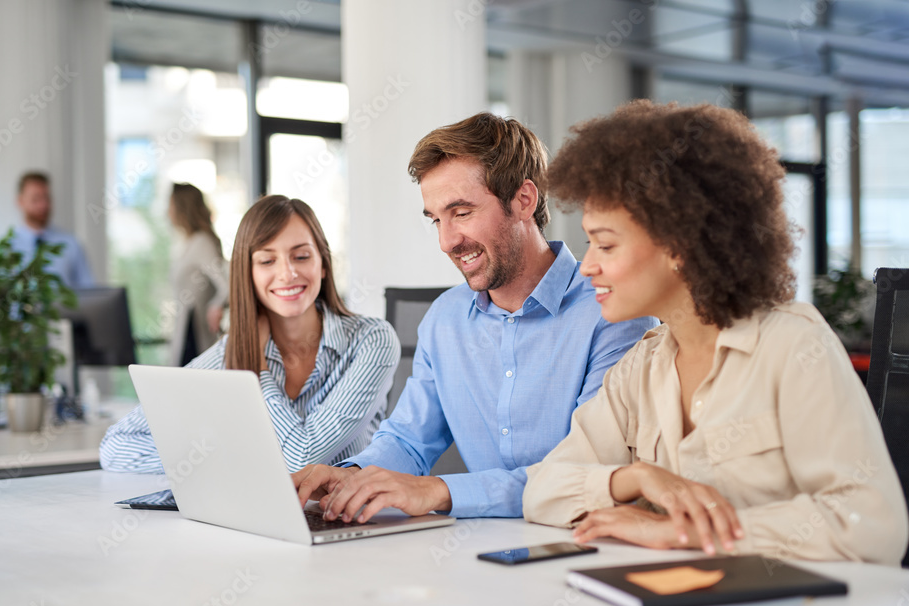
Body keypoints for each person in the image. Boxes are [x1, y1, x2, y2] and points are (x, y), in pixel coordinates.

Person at [522, 100, 909, 565]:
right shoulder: (641, 367)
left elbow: (874, 525)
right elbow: (542, 491)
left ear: (680, 247)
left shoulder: (792, 344)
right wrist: (638, 479)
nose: (587, 267)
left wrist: (682, 534)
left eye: (606, 244)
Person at [292, 113, 657, 522]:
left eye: (461, 212)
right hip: (477, 551)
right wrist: (351, 479)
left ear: (524, 200)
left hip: (576, 544)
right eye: (436, 220)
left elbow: (582, 475)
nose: (447, 241)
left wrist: (438, 491)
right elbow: (410, 439)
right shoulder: (444, 320)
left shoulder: (615, 313)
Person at [100, 195, 400, 473]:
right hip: (259, 522)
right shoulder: (228, 353)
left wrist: (257, 371)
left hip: (350, 521)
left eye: (301, 256)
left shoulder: (371, 341)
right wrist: (220, 455)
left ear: (323, 264)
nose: (287, 273)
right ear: (248, 273)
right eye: (267, 261)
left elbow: (302, 457)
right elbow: (116, 446)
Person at [167, 183, 230, 366]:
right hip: (185, 331)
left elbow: (226, 284)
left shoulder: (202, 243)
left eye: (171, 205)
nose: (167, 211)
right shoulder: (189, 242)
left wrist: (216, 305)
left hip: (195, 332)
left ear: (181, 207)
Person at [10, 171, 95, 288]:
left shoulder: (71, 244)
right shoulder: (5, 249)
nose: (43, 205)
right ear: (20, 201)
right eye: (36, 199)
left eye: (47, 198)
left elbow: (89, 293)